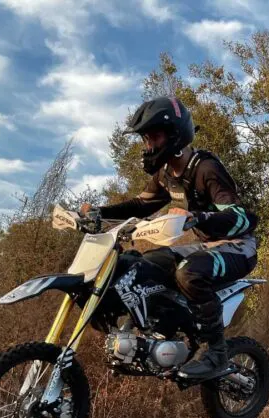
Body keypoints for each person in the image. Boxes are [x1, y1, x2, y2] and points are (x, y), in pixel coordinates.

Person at [80, 96, 258, 379]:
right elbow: (141, 205)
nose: (148, 145)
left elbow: (244, 218)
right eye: (145, 139)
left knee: (188, 273)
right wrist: (98, 213)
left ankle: (216, 353)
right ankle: (163, 332)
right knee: (142, 264)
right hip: (205, 246)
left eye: (154, 137)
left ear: (175, 136)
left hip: (238, 247)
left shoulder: (205, 169)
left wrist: (197, 218)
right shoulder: (165, 174)